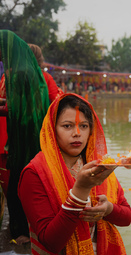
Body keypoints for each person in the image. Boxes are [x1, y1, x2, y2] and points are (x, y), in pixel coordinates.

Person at [19, 94, 131, 254]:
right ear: (52, 129)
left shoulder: (97, 165)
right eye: (67, 126)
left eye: (84, 126)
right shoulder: (34, 173)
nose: (77, 133)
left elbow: (127, 217)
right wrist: (81, 190)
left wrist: (107, 209)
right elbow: (50, 242)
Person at [0, 30, 50, 245]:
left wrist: (3, 108)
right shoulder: (28, 71)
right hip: (32, 139)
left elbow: (19, 110)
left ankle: (22, 234)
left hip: (24, 141)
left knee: (17, 189)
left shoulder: (20, 73)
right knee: (25, 186)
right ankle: (28, 230)